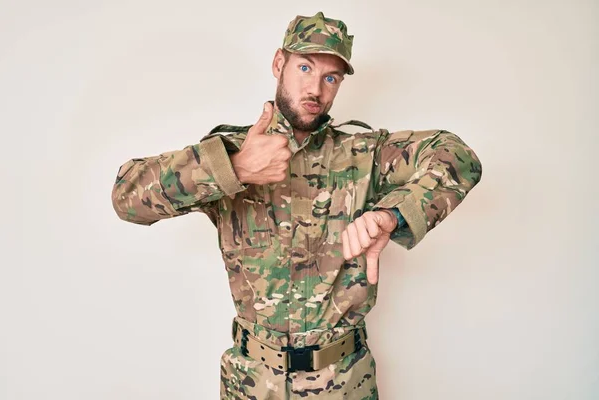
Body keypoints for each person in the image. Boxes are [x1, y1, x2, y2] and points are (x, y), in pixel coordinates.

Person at [111, 11, 482, 399]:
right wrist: (235, 168)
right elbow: (126, 196)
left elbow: (457, 155)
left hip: (343, 384)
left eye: (330, 77)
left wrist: (391, 215)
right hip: (252, 384)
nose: (316, 89)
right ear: (278, 64)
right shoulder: (231, 151)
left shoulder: (362, 154)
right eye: (305, 67)